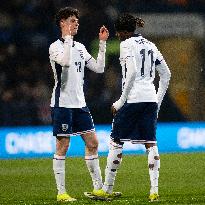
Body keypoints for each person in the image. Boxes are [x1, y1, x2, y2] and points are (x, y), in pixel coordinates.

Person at [91, 13, 171, 201]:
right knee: (150, 143)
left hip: (133, 99)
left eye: (118, 33)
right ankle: (154, 191)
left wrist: (121, 100)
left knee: (116, 141)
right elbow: (166, 75)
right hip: (150, 99)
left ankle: (107, 189)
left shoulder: (126, 44)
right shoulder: (151, 45)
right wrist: (157, 103)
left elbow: (133, 72)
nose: (118, 36)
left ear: (124, 32)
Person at [49, 7, 109, 202]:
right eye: (72, 20)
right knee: (63, 145)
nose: (77, 24)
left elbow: (99, 68)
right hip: (62, 103)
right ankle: (61, 193)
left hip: (80, 103)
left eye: (77, 21)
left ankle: (99, 189)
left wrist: (102, 44)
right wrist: (67, 38)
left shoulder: (81, 48)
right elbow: (65, 62)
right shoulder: (55, 47)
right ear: (63, 23)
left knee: (93, 143)